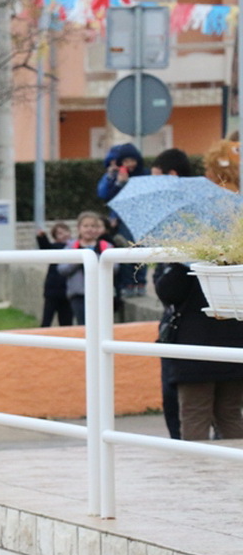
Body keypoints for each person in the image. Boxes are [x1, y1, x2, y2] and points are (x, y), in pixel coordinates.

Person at [154, 265, 243, 440]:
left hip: (194, 349)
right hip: (234, 344)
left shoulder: (185, 265)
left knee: (195, 414)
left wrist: (175, 264)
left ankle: (197, 465)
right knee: (230, 414)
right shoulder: (235, 259)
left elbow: (167, 293)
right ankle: (235, 465)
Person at [150, 147, 193, 439]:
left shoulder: (182, 221)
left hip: (186, 328)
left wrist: (163, 272)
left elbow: (170, 290)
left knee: (186, 410)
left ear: (172, 175)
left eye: (156, 178)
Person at [97, 143, 146, 297]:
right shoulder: (115, 177)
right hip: (122, 220)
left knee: (142, 251)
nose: (130, 164)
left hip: (140, 219)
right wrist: (118, 182)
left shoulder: (143, 175)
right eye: (126, 161)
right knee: (125, 250)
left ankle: (141, 282)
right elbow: (106, 196)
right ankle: (127, 284)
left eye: (133, 160)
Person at [57, 211, 112, 325]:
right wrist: (81, 259)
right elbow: (62, 269)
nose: (89, 229)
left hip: (101, 293)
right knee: (83, 325)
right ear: (78, 228)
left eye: (93, 226)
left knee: (102, 325)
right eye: (86, 226)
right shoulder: (71, 247)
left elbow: (115, 268)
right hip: (78, 294)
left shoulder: (106, 246)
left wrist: (96, 258)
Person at [36, 222, 73, 327]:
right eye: (60, 233)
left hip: (68, 290)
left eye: (66, 231)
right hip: (52, 291)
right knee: (47, 320)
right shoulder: (55, 247)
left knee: (66, 321)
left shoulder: (74, 247)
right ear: (55, 237)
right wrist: (42, 237)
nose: (64, 234)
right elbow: (46, 247)